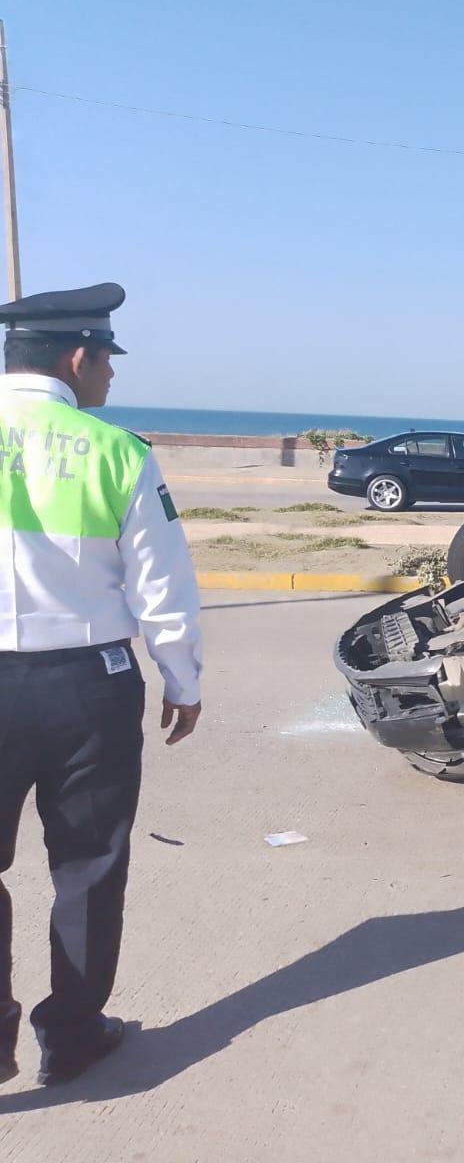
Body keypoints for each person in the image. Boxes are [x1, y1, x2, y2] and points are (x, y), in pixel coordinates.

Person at [0, 283, 203, 1087]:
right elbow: (163, 587)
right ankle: (73, 1034)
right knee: (85, 864)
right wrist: (181, 678)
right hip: (87, 685)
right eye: (107, 362)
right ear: (77, 357)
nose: (110, 379)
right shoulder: (117, 450)